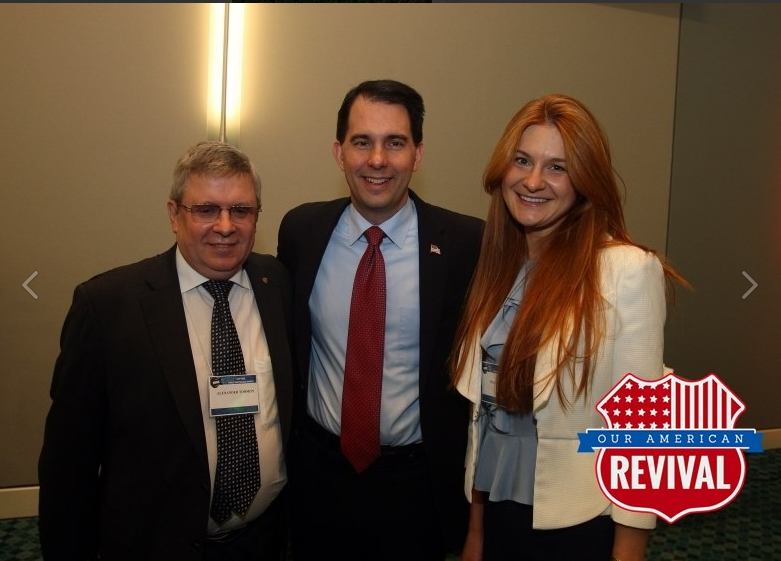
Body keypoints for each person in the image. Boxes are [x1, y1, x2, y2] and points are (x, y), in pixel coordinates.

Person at [449, 94, 688, 561]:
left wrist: (629, 553)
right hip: (498, 510)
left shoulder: (625, 270)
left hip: (577, 520)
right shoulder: (499, 265)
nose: (533, 181)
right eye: (522, 160)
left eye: (557, 167)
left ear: (584, 181)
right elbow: (485, 418)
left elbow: (643, 432)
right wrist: (476, 531)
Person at [38, 141, 294, 560]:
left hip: (264, 542)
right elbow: (69, 463)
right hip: (155, 546)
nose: (226, 226)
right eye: (206, 209)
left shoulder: (278, 284)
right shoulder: (107, 307)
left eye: (241, 210)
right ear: (174, 215)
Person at [277, 79, 484, 560]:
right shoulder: (301, 230)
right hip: (318, 477)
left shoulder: (464, 244)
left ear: (418, 154)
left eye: (394, 142)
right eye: (361, 142)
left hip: (415, 486)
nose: (377, 160)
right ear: (338, 152)